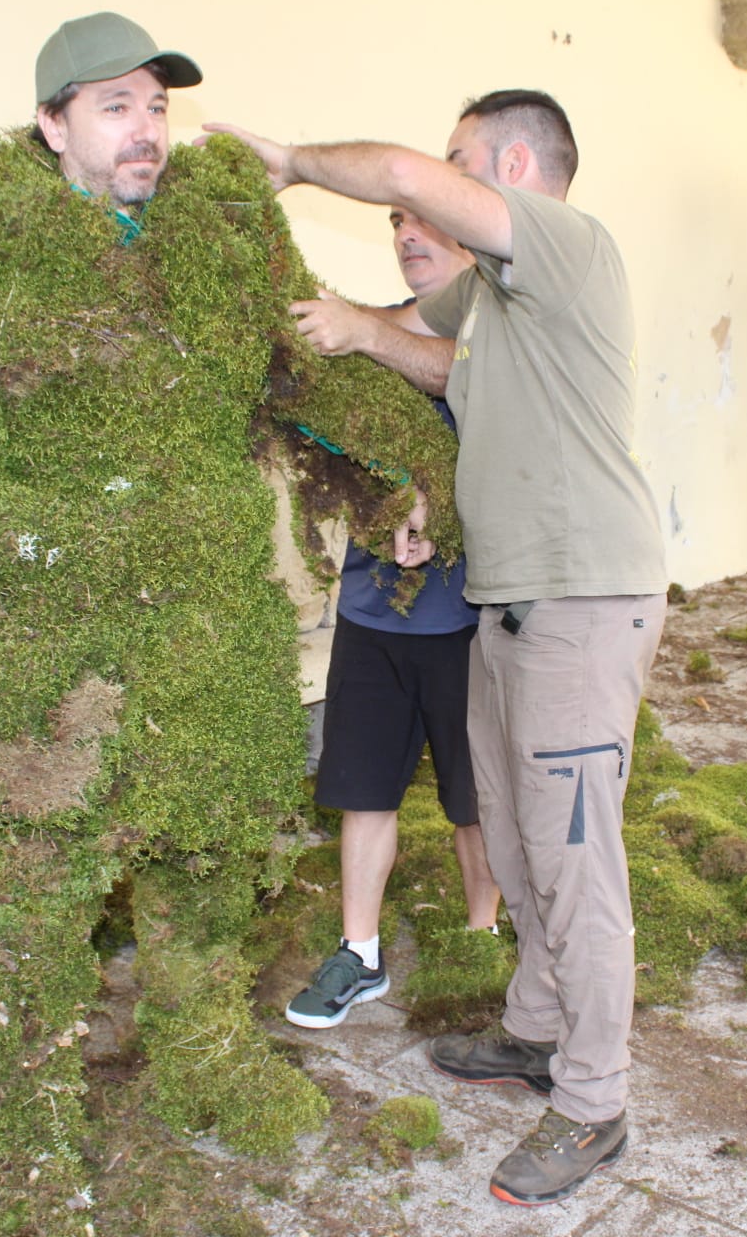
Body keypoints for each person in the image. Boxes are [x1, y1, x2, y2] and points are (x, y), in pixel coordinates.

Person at [0, 13, 460, 1215]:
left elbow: (314, 378)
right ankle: (17, 1130)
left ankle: (201, 1052)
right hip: (41, 642)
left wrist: (405, 489)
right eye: (116, 105)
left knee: (212, 857)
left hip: (209, 630)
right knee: (29, 898)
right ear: (51, 124)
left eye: (159, 106)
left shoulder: (221, 257)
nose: (148, 130)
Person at [208, 89, 669, 1207]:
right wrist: (346, 328)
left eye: (466, 158)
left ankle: (595, 1101)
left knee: (573, 858)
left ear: (511, 162)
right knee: (511, 839)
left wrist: (292, 160)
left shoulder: (566, 243)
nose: (442, 180)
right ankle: (539, 1031)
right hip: (507, 606)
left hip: (581, 601)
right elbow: (421, 355)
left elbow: (410, 179)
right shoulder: (497, 298)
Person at [282, 209, 501, 1030]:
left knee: (474, 795)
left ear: (470, 237)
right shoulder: (362, 336)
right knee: (363, 788)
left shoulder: (496, 332)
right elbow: (329, 446)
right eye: (399, 222)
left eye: (428, 224)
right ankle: (359, 952)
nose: (410, 236)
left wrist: (436, 508)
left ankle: (482, 935)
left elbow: (461, 383)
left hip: (469, 616)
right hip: (374, 611)